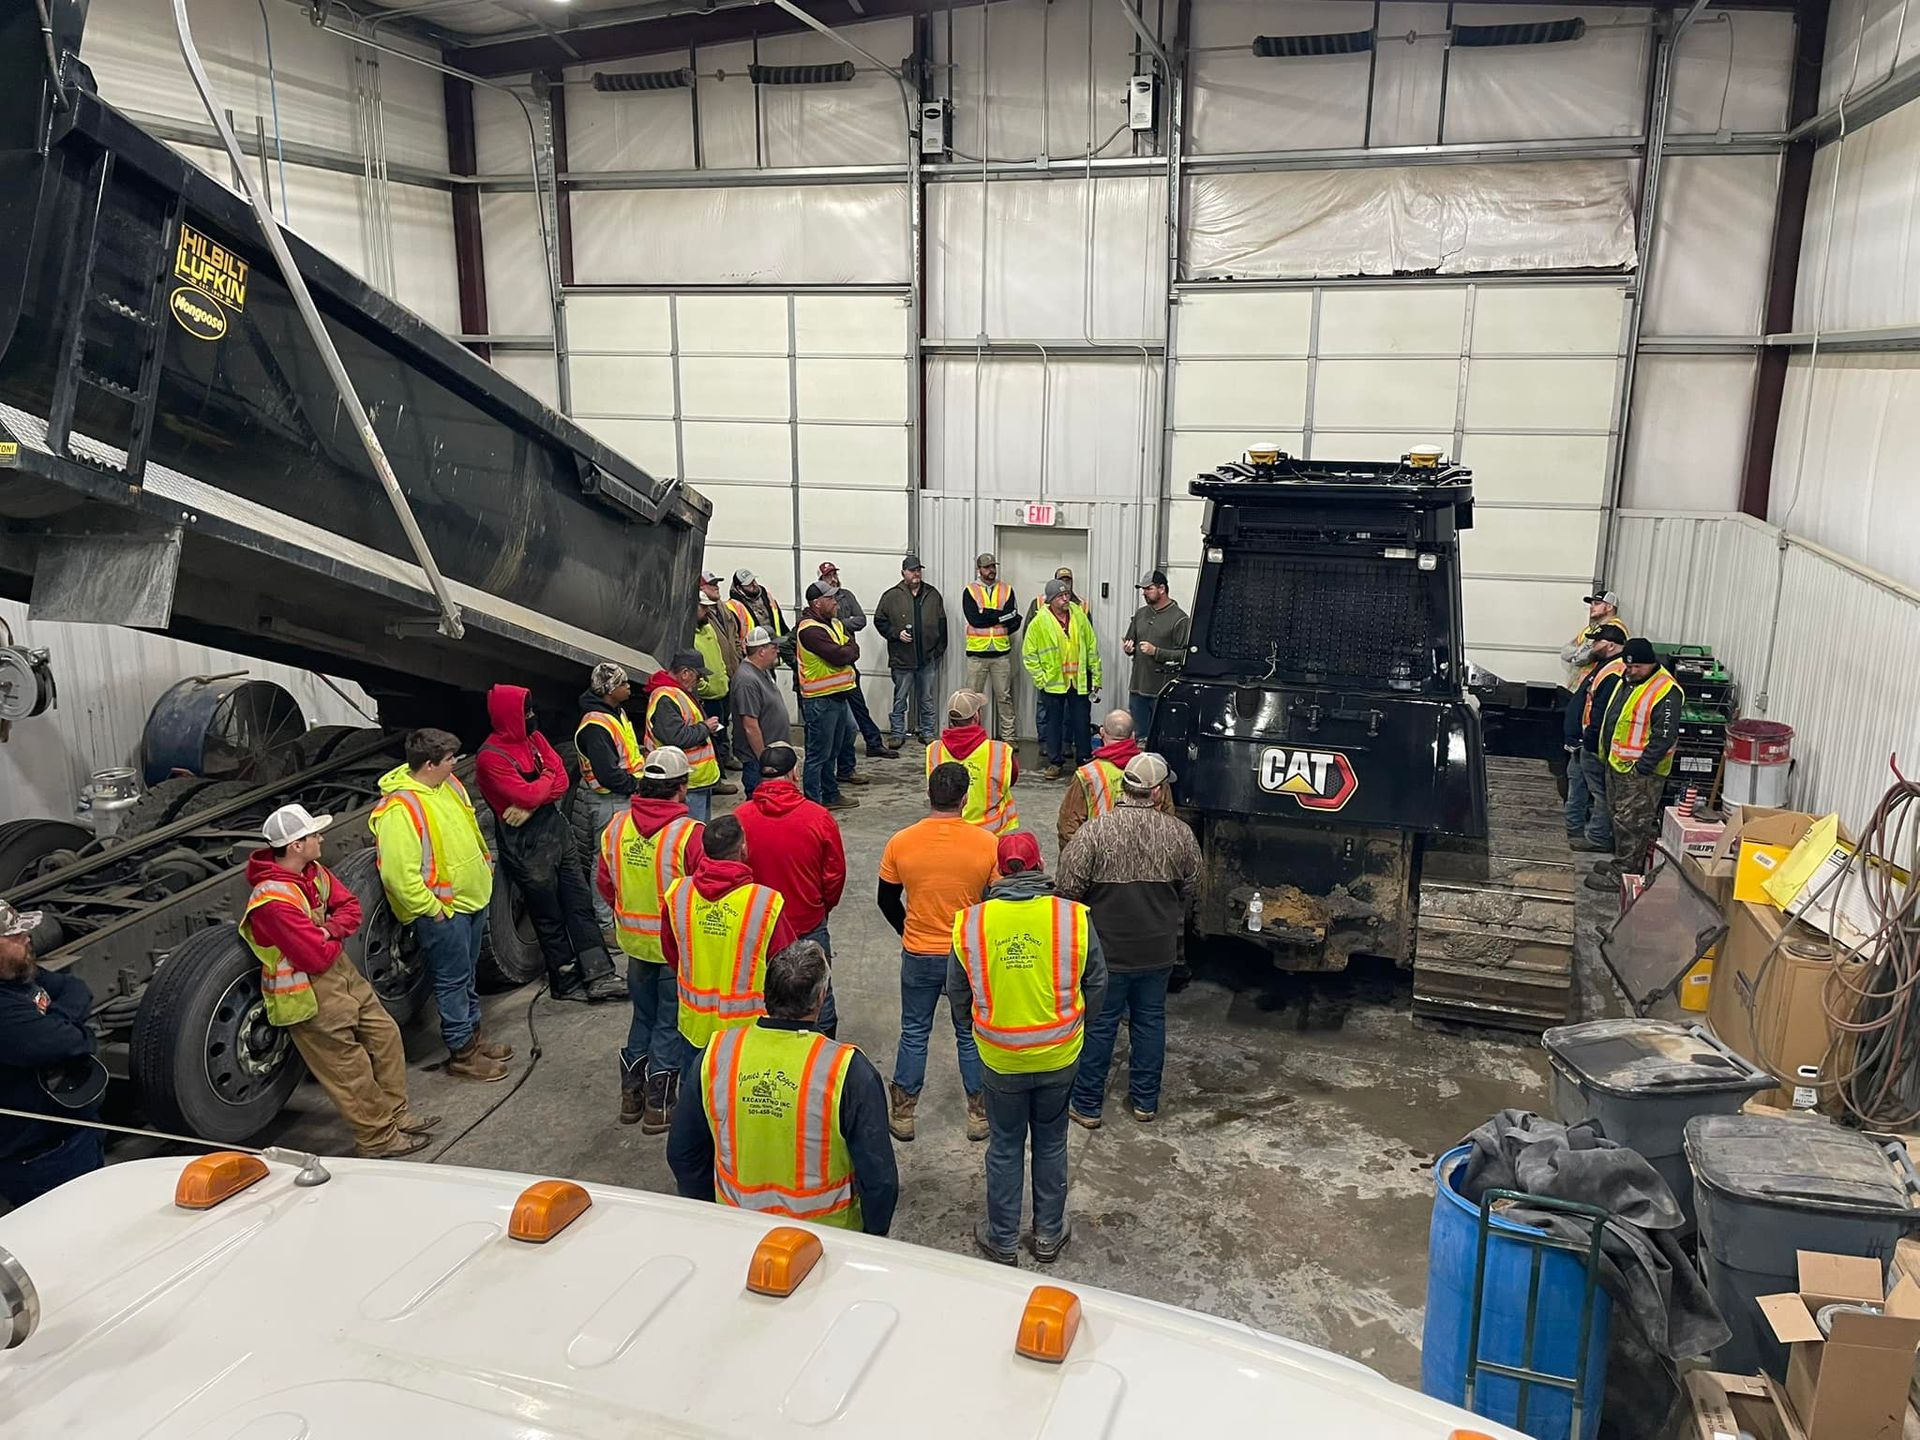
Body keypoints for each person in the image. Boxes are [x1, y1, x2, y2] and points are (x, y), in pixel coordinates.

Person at [241, 804, 441, 1157]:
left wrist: (328, 930)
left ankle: (395, 1115)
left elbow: (351, 908)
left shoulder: (313, 872)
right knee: (348, 1068)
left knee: (385, 1035)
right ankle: (378, 1139)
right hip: (307, 991)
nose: (321, 838)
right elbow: (315, 957)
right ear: (296, 845)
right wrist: (333, 935)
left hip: (341, 975)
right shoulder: (272, 901)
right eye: (313, 835)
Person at [948, 832, 1107, 1266]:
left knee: (1004, 1146)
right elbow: (1097, 981)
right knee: (1052, 1142)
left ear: (1000, 871)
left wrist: (973, 1027)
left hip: (1000, 1058)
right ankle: (1048, 1235)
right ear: (1040, 866)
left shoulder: (972, 923)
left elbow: (957, 991)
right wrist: (1079, 1027)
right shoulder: (1071, 918)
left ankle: (1002, 1240)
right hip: (1059, 1056)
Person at [668, 940, 898, 1236]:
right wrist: (873, 1238)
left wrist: (713, 1213)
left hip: (738, 1230)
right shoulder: (847, 1071)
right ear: (820, 998)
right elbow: (879, 1179)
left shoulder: (717, 1055)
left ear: (766, 994)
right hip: (826, 1239)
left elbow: (683, 1153)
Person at [1057, 754, 1199, 1127]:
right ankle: (1145, 1102)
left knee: (1100, 1025)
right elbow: (1192, 888)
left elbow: (1067, 890)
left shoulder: (1094, 832)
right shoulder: (1180, 834)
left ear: (1125, 786)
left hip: (1106, 952)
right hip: (1158, 950)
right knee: (1150, 1021)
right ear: (1158, 791)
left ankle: (1087, 1106)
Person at [372, 729, 510, 1082]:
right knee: (452, 981)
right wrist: (434, 910)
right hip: (445, 912)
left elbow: (471, 828)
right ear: (430, 765)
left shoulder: (449, 785)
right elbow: (398, 875)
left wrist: (484, 863)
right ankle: (462, 1053)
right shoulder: (400, 809)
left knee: (467, 975)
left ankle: (473, 1037)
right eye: (449, 759)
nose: (455, 764)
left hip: (471, 899)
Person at [477, 684, 624, 1003]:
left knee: (579, 903)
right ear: (509, 716)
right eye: (526, 712)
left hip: (555, 831)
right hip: (525, 846)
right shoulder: (491, 758)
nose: (532, 717)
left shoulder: (534, 739)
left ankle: (600, 974)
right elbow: (535, 788)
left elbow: (560, 780)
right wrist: (543, 782)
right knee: (550, 916)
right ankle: (566, 982)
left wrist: (532, 801)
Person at [878, 761, 997, 1145]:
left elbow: (886, 898)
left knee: (914, 1032)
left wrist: (907, 929)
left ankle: (903, 1114)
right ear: (965, 798)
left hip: (919, 953)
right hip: (964, 955)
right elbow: (995, 901)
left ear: (928, 794)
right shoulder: (987, 844)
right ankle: (979, 1114)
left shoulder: (901, 841)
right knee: (969, 1033)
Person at [598, 746, 706, 1132]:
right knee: (670, 1021)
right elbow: (704, 893)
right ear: (682, 787)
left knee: (643, 1015)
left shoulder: (616, 827)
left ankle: (632, 1096)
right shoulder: (689, 835)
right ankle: (659, 1105)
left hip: (634, 943)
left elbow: (605, 884)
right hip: (675, 947)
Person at [736, 742, 847, 1037]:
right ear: (795, 773)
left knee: (766, 989)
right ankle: (822, 1051)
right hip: (807, 920)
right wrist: (821, 907)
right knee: (819, 991)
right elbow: (834, 874)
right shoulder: (818, 817)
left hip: (759, 924)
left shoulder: (740, 817)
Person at [664, 812, 800, 1050]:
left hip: (695, 1026)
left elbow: (671, 952)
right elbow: (786, 967)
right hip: (748, 1031)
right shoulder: (763, 903)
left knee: (695, 1075)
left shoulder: (679, 894)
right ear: (743, 848)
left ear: (704, 850)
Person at [0, 900, 105, 1207]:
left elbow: (74, 987)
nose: (27, 938)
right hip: (43, 1158)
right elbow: (73, 1042)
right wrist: (74, 1030)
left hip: (71, 1135)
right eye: (15, 936)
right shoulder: (5, 1013)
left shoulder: (17, 975)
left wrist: (56, 1021)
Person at [1585, 637, 1685, 892]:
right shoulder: (1628, 680)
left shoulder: (1666, 690)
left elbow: (1664, 736)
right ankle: (1620, 861)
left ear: (1651, 663)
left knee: (1633, 823)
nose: (1631, 670)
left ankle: (1625, 874)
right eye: (1628, 666)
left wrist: (1642, 768)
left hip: (1641, 772)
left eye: (1637, 666)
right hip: (1618, 763)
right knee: (1619, 818)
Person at [574, 661, 644, 937]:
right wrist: (637, 785)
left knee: (620, 858)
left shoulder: (615, 713)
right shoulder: (596, 725)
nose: (629, 687)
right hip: (609, 800)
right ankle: (605, 925)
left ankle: (616, 916)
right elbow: (608, 774)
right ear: (609, 690)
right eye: (623, 683)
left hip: (620, 797)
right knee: (605, 861)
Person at [816, 560, 900, 761]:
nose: (833, 579)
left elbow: (861, 619)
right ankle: (840, 752)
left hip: (847, 660)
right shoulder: (818, 604)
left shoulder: (846, 596)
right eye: (828, 576)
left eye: (834, 574)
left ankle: (873, 743)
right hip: (829, 666)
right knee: (839, 715)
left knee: (858, 706)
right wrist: (842, 624)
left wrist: (838, 623)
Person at [794, 581, 866, 813]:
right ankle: (813, 803)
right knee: (818, 755)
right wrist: (848, 651)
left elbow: (851, 647)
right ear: (817, 603)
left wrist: (848, 651)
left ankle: (830, 794)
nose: (836, 602)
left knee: (833, 751)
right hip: (820, 699)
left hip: (837, 696)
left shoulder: (833, 624)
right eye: (831, 599)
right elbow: (839, 655)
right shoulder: (810, 630)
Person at [1023, 577, 1102, 780]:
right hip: (1053, 683)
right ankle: (1055, 762)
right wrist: (1041, 679)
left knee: (1082, 723)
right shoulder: (1039, 622)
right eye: (1060, 596)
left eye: (1067, 594)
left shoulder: (1079, 615)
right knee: (1053, 724)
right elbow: (1029, 655)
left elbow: (1091, 646)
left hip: (1079, 681)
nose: (1066, 599)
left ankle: (1084, 760)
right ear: (1050, 600)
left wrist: (1096, 677)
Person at [1058, 709, 1173, 846]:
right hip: (1147, 853)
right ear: (1133, 735)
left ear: (1101, 732)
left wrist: (1077, 855)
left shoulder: (1088, 774)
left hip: (1102, 853)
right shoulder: (1154, 770)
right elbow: (1169, 819)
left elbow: (1068, 826)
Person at [1563, 623, 1628, 853]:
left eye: (1597, 641)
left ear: (1610, 645)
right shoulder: (1603, 666)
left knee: (1599, 793)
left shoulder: (1616, 671)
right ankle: (1572, 829)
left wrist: (1590, 738)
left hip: (1593, 743)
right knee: (1577, 785)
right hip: (1582, 741)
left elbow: (1604, 711)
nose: (1592, 645)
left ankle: (1597, 838)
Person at [874, 554, 948, 746]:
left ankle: (928, 732)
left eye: (918, 570)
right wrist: (895, 634)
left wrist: (938, 650)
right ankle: (897, 734)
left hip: (927, 658)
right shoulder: (891, 596)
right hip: (902, 658)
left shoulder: (932, 595)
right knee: (900, 699)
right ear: (903, 573)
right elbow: (879, 621)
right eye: (912, 570)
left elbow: (942, 623)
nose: (916, 573)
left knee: (927, 699)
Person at [925, 689, 1021, 835]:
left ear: (951, 720)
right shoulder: (1000, 751)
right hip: (990, 834)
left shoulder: (934, 750)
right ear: (976, 716)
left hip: (949, 832)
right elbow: (1011, 780)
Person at [643, 651, 723, 822]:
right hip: (685, 780)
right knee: (690, 830)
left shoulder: (675, 693)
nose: (699, 682)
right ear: (685, 673)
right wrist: (705, 727)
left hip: (693, 780)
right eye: (699, 676)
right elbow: (676, 738)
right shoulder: (666, 698)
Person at [961, 551, 1022, 743]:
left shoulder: (1007, 590)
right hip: (976, 654)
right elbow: (975, 620)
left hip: (1000, 654)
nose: (991, 570)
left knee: (1004, 698)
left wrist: (987, 614)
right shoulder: (970, 591)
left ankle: (1009, 737)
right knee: (972, 699)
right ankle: (972, 737)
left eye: (993, 566)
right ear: (979, 569)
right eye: (987, 567)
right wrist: (999, 616)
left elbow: (1013, 618)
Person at [1122, 570, 1189, 741]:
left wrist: (1157, 652)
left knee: (1161, 738)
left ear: (1162, 589)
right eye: (1143, 589)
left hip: (1161, 691)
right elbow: (1131, 640)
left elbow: (1185, 655)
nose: (1144, 593)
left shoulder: (1180, 619)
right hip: (1137, 688)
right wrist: (1129, 648)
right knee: (1140, 738)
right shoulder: (1140, 614)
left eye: (1148, 589)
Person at [731, 626, 789, 798]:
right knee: (761, 803)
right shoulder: (747, 680)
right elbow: (750, 725)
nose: (778, 651)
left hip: (771, 757)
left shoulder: (761, 672)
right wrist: (764, 760)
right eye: (774, 647)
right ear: (761, 651)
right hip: (759, 762)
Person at [693, 593, 743, 774]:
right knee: (711, 735)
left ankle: (723, 763)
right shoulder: (688, 634)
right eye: (703, 607)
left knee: (722, 730)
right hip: (707, 696)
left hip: (721, 691)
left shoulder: (708, 628)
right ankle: (717, 774)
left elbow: (719, 656)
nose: (707, 611)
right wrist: (702, 688)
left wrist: (724, 677)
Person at [1560, 587, 1630, 688]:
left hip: (1595, 685)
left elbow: (1589, 655)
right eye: (1591, 604)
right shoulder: (1589, 629)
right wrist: (1579, 654)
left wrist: (1578, 655)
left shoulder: (1615, 629)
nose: (1592, 607)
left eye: (1597, 604)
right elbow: (1565, 651)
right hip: (1579, 685)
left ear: (1609, 607)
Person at [728, 568, 792, 670]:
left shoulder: (767, 597)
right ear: (739, 588)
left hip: (771, 651)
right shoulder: (733, 607)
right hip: (753, 658)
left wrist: (785, 647)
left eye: (754, 581)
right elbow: (734, 640)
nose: (754, 585)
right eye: (749, 584)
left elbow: (781, 623)